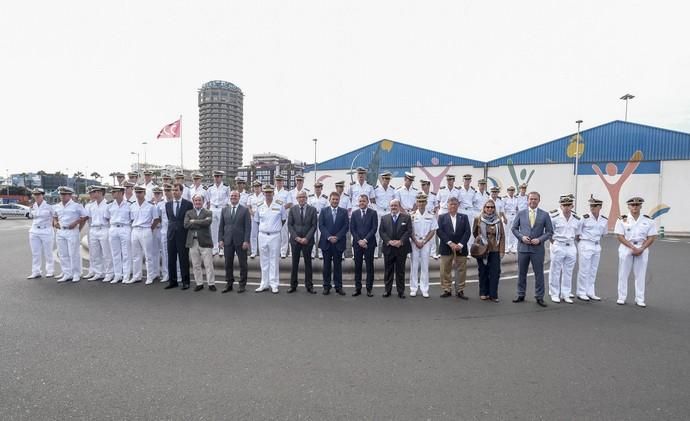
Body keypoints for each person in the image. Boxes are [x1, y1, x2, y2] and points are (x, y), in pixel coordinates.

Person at [511, 191, 553, 307]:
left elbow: (549, 232)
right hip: (523, 248)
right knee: (521, 273)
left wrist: (540, 239)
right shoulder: (521, 213)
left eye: (535, 199)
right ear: (527, 200)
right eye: (531, 199)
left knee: (539, 274)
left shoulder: (544, 215)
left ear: (539, 201)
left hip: (537, 249)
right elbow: (514, 229)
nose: (533, 201)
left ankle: (539, 297)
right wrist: (521, 237)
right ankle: (521, 294)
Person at [615, 196, 657, 307]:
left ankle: (640, 299)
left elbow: (652, 237)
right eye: (632, 205)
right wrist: (631, 247)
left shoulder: (648, 220)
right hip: (626, 247)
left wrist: (642, 248)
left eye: (637, 205)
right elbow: (619, 236)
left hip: (642, 247)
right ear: (628, 206)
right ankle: (621, 297)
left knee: (640, 275)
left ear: (641, 206)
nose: (635, 207)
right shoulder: (622, 219)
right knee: (623, 274)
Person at [548, 195, 581, 304]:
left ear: (572, 205)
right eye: (564, 205)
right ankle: (554, 293)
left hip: (571, 246)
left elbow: (577, 234)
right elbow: (549, 232)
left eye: (568, 205)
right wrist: (555, 244)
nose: (566, 207)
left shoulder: (577, 218)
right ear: (560, 206)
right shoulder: (554, 217)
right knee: (555, 271)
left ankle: (566, 294)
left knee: (568, 272)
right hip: (559, 245)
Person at [436, 197, 471, 298]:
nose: (453, 206)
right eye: (451, 204)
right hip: (446, 247)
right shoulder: (442, 217)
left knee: (461, 270)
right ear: (447, 205)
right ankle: (447, 289)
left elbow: (467, 232)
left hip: (461, 248)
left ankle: (460, 290)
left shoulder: (464, 217)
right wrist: (450, 243)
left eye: (455, 204)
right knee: (445, 269)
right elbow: (439, 231)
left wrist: (460, 244)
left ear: (458, 205)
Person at [255, 184, 287, 293]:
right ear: (263, 193)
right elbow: (257, 220)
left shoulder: (279, 204)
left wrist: (274, 228)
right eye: (266, 192)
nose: (268, 194)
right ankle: (264, 283)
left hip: (275, 235)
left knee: (274, 260)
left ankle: (274, 284)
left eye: (270, 192)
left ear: (273, 193)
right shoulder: (259, 205)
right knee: (263, 261)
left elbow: (283, 219)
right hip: (263, 235)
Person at [575, 196, 608, 301]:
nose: (592, 208)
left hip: (597, 245)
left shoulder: (604, 219)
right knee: (584, 270)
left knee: (593, 270)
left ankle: (590, 291)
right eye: (591, 205)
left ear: (600, 207)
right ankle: (581, 292)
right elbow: (577, 233)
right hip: (585, 244)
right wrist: (583, 243)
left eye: (595, 206)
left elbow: (604, 233)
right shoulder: (584, 218)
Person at [473, 199, 506, 302]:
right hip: (483, 249)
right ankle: (483, 292)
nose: (490, 209)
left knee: (495, 272)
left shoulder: (498, 220)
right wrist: (481, 241)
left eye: (492, 207)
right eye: (487, 207)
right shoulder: (478, 219)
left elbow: (502, 236)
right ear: (484, 208)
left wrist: (501, 250)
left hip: (495, 249)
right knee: (483, 271)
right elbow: (474, 232)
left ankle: (493, 294)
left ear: (494, 209)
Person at [53, 186, 87, 282]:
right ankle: (67, 273)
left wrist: (76, 224)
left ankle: (76, 273)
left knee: (74, 253)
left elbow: (84, 217)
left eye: (64, 194)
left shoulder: (77, 206)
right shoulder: (57, 206)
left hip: (72, 231)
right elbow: (55, 216)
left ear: (70, 195)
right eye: (61, 194)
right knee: (63, 253)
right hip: (60, 231)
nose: (62, 196)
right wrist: (55, 222)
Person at [219, 190, 251, 293]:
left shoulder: (245, 210)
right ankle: (229, 284)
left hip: (240, 241)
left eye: (235, 196)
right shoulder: (224, 210)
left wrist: (246, 241)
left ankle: (242, 284)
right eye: (232, 196)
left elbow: (248, 227)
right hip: (228, 241)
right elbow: (221, 226)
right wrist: (220, 239)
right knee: (228, 263)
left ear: (239, 197)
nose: (233, 197)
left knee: (243, 264)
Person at [379, 199, 412, 298]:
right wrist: (389, 241)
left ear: (399, 207)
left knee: (400, 271)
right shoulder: (384, 218)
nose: (393, 207)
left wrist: (400, 241)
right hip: (388, 248)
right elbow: (382, 232)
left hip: (401, 248)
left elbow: (408, 231)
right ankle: (387, 291)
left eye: (395, 205)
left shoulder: (406, 218)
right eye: (392, 205)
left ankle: (401, 291)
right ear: (390, 207)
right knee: (388, 271)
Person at [318, 191, 349, 295]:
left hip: (338, 243)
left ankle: (338, 286)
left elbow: (346, 226)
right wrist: (329, 237)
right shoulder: (323, 211)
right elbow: (321, 226)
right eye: (333, 199)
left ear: (339, 200)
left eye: (337, 199)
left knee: (338, 266)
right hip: (326, 243)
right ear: (329, 200)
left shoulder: (344, 212)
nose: (335, 201)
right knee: (326, 266)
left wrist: (337, 237)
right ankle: (326, 286)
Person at [287, 190, 318, 294]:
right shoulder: (292, 209)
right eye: (300, 197)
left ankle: (309, 286)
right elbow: (290, 225)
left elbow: (314, 226)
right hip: (295, 241)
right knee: (294, 263)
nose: (302, 199)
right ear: (297, 199)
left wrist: (307, 238)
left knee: (308, 263)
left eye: (303, 197)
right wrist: (296, 238)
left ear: (306, 198)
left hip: (307, 241)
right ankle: (293, 285)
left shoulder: (313, 210)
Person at [164, 183, 194, 290]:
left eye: (176, 190)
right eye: (173, 190)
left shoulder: (188, 204)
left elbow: (190, 219)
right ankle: (173, 281)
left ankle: (186, 282)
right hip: (171, 235)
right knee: (171, 259)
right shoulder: (168, 205)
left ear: (181, 191)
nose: (174, 192)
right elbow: (170, 219)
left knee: (183, 259)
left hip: (183, 235)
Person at [129, 186, 160, 284]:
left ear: (144, 193)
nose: (138, 194)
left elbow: (156, 219)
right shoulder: (132, 206)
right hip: (135, 230)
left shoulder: (151, 206)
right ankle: (136, 276)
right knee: (135, 255)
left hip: (146, 229)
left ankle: (150, 276)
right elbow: (131, 219)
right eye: (137, 192)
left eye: (140, 192)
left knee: (148, 255)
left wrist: (150, 229)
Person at [185, 194, 215, 291]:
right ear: (193, 202)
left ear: (203, 201)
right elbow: (186, 225)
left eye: (199, 200)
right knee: (195, 264)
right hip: (193, 242)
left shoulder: (208, 212)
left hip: (205, 241)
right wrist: (200, 222)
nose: (197, 202)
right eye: (196, 200)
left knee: (208, 264)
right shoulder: (188, 213)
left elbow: (207, 223)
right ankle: (199, 283)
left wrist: (193, 221)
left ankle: (211, 284)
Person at [409, 193, 438, 298]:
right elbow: (410, 230)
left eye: (423, 201)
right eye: (419, 201)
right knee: (414, 265)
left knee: (425, 266)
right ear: (416, 203)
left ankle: (424, 289)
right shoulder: (412, 215)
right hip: (414, 242)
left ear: (426, 202)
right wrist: (416, 241)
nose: (421, 203)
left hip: (425, 242)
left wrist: (424, 241)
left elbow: (433, 230)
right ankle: (413, 288)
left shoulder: (431, 215)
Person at [350, 194, 378, 297]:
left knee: (369, 267)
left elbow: (374, 228)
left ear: (367, 202)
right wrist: (359, 241)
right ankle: (358, 288)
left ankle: (369, 289)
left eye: (364, 201)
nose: (362, 203)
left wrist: (365, 240)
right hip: (357, 244)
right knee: (358, 267)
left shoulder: (373, 213)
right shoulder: (354, 213)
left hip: (369, 244)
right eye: (360, 201)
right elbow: (352, 229)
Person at [85, 185, 113, 282]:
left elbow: (110, 219)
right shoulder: (91, 205)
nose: (93, 193)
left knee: (106, 253)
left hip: (104, 228)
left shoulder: (108, 204)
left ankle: (109, 273)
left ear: (101, 192)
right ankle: (98, 272)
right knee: (95, 253)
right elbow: (89, 218)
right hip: (94, 229)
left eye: (95, 191)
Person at [105, 186, 132, 284]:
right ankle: (117, 275)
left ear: (121, 192)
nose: (112, 193)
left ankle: (126, 275)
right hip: (113, 228)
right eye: (112, 192)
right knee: (115, 253)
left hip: (125, 228)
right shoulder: (110, 205)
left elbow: (132, 218)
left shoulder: (129, 205)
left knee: (126, 253)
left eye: (115, 192)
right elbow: (107, 217)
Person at [27, 188, 55, 279]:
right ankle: (36, 272)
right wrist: (30, 208)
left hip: (46, 230)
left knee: (48, 252)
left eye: (39, 194)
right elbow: (31, 216)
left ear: (43, 195)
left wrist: (56, 223)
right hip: (34, 231)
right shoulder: (32, 206)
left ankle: (50, 271)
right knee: (35, 253)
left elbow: (55, 216)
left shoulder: (49, 206)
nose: (37, 196)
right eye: (35, 195)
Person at [374, 171, 396, 258]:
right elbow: (372, 200)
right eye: (385, 178)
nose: (386, 180)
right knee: (377, 234)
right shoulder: (376, 189)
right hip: (379, 212)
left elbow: (394, 201)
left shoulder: (392, 190)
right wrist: (376, 209)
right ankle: (375, 253)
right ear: (381, 179)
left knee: (388, 233)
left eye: (388, 179)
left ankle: (385, 253)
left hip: (388, 212)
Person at [207, 170, 229, 256]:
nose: (216, 178)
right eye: (215, 176)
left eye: (218, 176)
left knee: (222, 229)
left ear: (221, 177)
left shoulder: (226, 187)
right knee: (213, 230)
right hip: (213, 208)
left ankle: (221, 248)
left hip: (221, 208)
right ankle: (214, 248)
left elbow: (228, 198)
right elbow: (208, 200)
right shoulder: (210, 187)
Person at [307, 181, 328, 259]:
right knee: (312, 236)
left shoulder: (325, 198)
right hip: (313, 219)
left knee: (320, 237)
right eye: (316, 188)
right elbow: (309, 208)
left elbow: (326, 209)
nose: (317, 189)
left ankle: (320, 253)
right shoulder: (310, 197)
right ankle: (312, 253)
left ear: (321, 188)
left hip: (322, 219)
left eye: (319, 187)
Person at [153, 185, 170, 283]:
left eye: (158, 193)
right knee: (159, 253)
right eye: (155, 193)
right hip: (160, 230)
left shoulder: (170, 202)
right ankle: (162, 273)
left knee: (167, 254)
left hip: (168, 230)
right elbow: (157, 218)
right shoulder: (160, 205)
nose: (157, 195)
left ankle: (168, 273)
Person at [274, 175, 292, 259]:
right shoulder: (272, 191)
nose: (278, 182)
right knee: (275, 234)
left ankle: (283, 251)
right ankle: (276, 250)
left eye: (280, 181)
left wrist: (280, 209)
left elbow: (289, 204)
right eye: (277, 181)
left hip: (283, 216)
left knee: (284, 234)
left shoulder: (286, 193)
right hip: (273, 216)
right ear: (275, 182)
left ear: (283, 182)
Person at [247, 180, 264, 258]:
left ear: (261, 187)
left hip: (262, 217)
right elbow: (248, 207)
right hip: (253, 217)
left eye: (258, 187)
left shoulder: (264, 196)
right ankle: (254, 252)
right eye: (255, 187)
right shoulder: (250, 196)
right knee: (253, 235)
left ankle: (262, 251)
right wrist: (252, 213)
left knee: (262, 234)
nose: (256, 188)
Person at [503, 186, 519, 253]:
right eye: (510, 190)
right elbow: (502, 209)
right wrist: (504, 217)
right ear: (507, 191)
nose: (511, 191)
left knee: (513, 231)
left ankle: (513, 247)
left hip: (514, 215)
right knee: (506, 232)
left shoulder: (516, 198)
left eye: (512, 190)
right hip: (507, 215)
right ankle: (506, 247)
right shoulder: (504, 198)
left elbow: (517, 208)